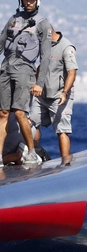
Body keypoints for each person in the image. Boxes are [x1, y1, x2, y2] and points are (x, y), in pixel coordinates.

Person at [0, 0, 52, 168]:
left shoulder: (43, 24)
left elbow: (46, 56)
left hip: (25, 70)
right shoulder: (13, 19)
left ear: (37, 0)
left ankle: (32, 152)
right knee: (2, 113)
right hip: (6, 67)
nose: (28, 1)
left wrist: (40, 83)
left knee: (19, 112)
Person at [30, 27, 78, 165]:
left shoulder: (66, 47)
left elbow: (72, 73)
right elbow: (42, 66)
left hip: (59, 95)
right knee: (31, 124)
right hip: (42, 95)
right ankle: (35, 156)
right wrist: (34, 82)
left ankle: (65, 163)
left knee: (62, 130)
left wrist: (64, 92)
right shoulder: (44, 46)